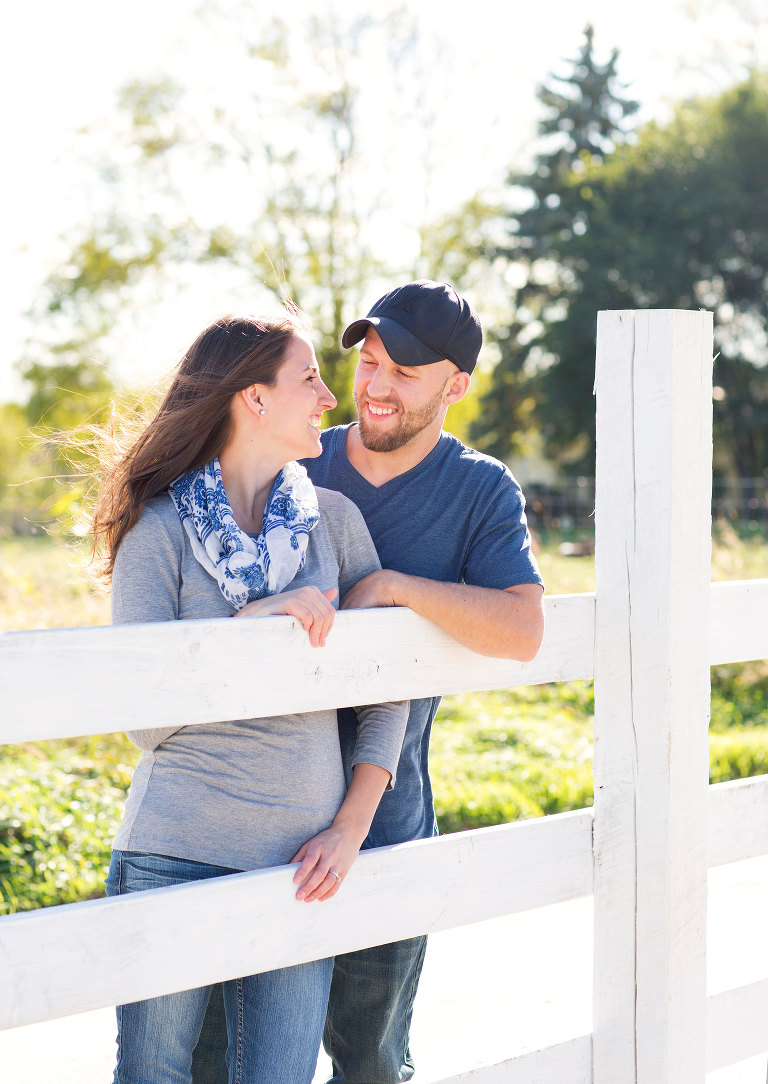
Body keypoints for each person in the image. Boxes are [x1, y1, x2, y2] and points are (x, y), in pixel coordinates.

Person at [193, 281, 545, 1083]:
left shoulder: (480, 488)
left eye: (405, 373)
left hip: (387, 821)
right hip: (257, 814)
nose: (376, 387)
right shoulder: (293, 454)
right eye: (370, 363)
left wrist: (395, 589)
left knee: (371, 1061)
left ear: (457, 386)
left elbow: (524, 630)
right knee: (224, 1058)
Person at [94, 312, 409, 1084]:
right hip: (173, 854)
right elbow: (143, 725)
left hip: (301, 866)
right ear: (254, 398)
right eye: (310, 378)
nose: (330, 397)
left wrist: (349, 829)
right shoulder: (158, 532)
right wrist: (247, 630)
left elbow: (387, 690)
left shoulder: (334, 525)